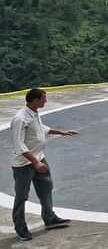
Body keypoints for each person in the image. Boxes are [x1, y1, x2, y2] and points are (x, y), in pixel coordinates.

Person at [10, 88, 78, 241]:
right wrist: (35, 162)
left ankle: (50, 218)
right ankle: (20, 228)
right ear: (35, 100)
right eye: (43, 99)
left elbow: (41, 130)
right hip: (24, 165)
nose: (45, 101)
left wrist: (61, 132)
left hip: (39, 159)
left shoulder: (34, 113)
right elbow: (18, 145)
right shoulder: (20, 118)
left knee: (46, 189)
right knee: (21, 196)